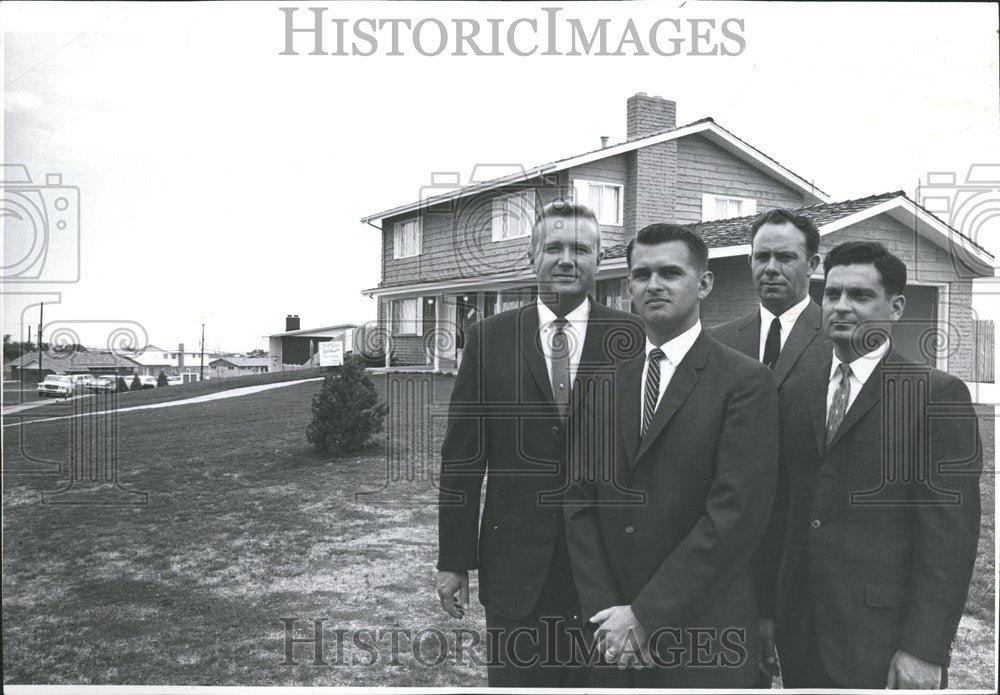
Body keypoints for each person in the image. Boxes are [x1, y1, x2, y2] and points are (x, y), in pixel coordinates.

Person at [436, 199, 642, 687]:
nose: (567, 259)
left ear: (598, 260)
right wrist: (453, 561)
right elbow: (462, 460)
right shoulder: (489, 339)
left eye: (581, 249)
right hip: (515, 571)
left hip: (611, 571)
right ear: (531, 257)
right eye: (554, 247)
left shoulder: (634, 338)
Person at [758, 241, 982, 688]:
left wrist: (924, 647)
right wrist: (766, 611)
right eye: (833, 294)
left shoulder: (936, 396)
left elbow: (950, 536)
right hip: (800, 625)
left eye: (860, 296)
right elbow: (778, 510)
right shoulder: (794, 390)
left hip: (882, 637)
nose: (841, 307)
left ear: (895, 307)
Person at [564, 223, 779, 688]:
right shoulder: (603, 381)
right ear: (629, 287)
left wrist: (645, 616)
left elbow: (735, 514)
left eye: (670, 273)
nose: (654, 285)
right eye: (641, 275)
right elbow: (579, 500)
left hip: (702, 630)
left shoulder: (744, 382)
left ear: (703, 283)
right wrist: (609, 617)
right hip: (609, 634)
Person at [708, 207, 830, 683]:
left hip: (806, 548)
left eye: (785, 257)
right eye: (761, 257)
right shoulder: (719, 342)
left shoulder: (839, 339)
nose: (770, 268)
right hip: (734, 551)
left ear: (814, 264)